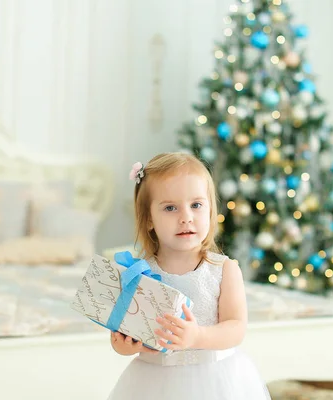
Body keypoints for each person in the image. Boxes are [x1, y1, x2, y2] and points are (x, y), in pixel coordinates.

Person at [107, 152, 271, 400]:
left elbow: (236, 328)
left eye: (196, 205)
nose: (186, 217)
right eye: (170, 208)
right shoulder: (139, 273)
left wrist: (197, 336)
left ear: (209, 211)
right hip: (154, 381)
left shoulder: (223, 270)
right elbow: (122, 333)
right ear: (149, 219)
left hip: (215, 380)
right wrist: (123, 345)